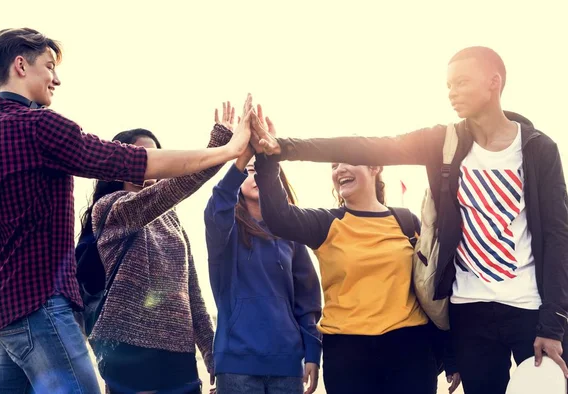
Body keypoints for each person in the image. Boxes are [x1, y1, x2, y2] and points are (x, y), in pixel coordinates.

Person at [252, 46, 568, 394]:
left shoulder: (539, 149)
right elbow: (366, 145)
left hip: (530, 305)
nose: (452, 93)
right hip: (469, 309)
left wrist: (553, 324)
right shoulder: (442, 142)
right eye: (448, 85)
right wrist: (284, 147)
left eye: (462, 82)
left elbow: (557, 237)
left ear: (494, 83)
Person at [0, 28, 251, 393]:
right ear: (21, 65)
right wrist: (225, 152)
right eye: (49, 66)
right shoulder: (39, 126)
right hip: (40, 306)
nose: (56, 78)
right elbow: (133, 161)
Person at [251, 116, 449, 394]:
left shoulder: (408, 222)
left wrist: (450, 352)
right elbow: (279, 217)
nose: (339, 168)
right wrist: (266, 158)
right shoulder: (326, 224)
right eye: (333, 164)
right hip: (348, 354)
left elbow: (437, 283)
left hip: (411, 350)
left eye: (347, 159)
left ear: (376, 165)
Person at [82, 117, 240, 393]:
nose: (152, 165)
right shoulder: (111, 208)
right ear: (121, 163)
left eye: (157, 157)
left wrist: (211, 350)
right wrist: (219, 148)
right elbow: (176, 187)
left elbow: (190, 290)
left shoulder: (171, 219)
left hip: (178, 350)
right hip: (128, 347)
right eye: (144, 157)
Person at [204, 106, 322, 394]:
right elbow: (217, 204)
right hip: (236, 366)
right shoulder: (225, 229)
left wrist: (312, 353)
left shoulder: (291, 233)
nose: (255, 177)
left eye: (262, 170)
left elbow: (307, 301)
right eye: (250, 171)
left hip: (287, 365)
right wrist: (240, 158)